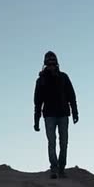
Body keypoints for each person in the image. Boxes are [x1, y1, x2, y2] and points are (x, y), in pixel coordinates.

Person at [33, 50, 78, 178]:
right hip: (49, 116)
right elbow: (37, 102)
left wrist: (75, 112)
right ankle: (54, 168)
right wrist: (36, 120)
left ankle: (61, 168)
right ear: (46, 64)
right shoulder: (41, 81)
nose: (51, 65)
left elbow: (71, 96)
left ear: (56, 64)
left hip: (63, 114)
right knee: (51, 142)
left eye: (53, 63)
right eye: (49, 63)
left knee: (64, 143)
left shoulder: (64, 77)